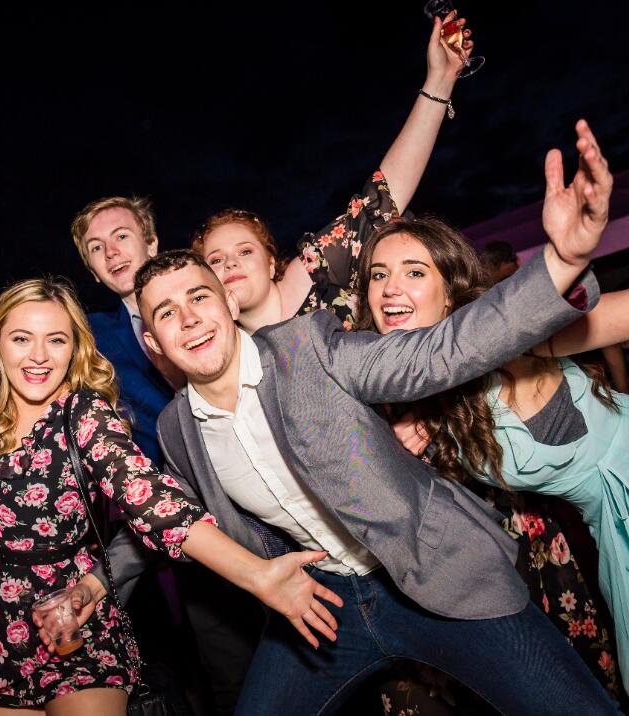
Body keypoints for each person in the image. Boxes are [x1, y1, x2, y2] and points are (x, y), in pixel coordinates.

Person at [119, 119, 620, 714]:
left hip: (432, 576)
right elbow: (161, 512)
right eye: (168, 313)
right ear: (152, 342)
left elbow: (443, 351)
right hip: (322, 603)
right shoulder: (178, 430)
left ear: (228, 300)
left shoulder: (310, 346)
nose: (191, 319)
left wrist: (560, 263)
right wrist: (97, 583)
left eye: (200, 297)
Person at [0, 231, 343, 713]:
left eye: (56, 340)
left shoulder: (81, 413)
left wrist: (256, 575)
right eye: (21, 339)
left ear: (74, 350)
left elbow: (153, 501)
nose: (39, 356)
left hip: (78, 627)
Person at [360, 137, 629, 696]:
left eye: (414, 272)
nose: (390, 288)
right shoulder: (401, 404)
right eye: (378, 275)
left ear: (450, 290)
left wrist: (569, 259)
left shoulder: (504, 337)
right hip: (612, 528)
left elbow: (613, 316)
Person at [192, 11, 473, 334]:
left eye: (244, 251)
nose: (230, 264)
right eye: (215, 260)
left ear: (271, 264)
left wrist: (440, 79)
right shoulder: (224, 352)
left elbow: (383, 195)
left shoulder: (315, 271)